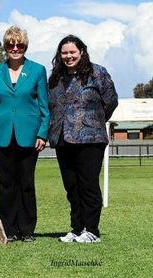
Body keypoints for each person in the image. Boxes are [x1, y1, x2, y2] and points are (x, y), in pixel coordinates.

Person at [48, 35, 118, 243]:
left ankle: (92, 230)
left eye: (72, 52)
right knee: (71, 186)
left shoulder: (98, 73)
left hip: (91, 139)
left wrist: (93, 120)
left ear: (82, 52)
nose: (68, 56)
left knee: (88, 185)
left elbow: (111, 101)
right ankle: (77, 228)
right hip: (62, 138)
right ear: (59, 55)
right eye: (64, 53)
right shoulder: (55, 78)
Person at [0, 26, 50, 242]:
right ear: (5, 46)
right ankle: (8, 230)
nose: (15, 48)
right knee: (6, 185)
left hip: (29, 135)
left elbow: (44, 105)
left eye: (19, 44)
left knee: (26, 183)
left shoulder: (38, 70)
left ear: (25, 46)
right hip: (1, 135)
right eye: (10, 44)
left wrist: (42, 133)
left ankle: (27, 229)